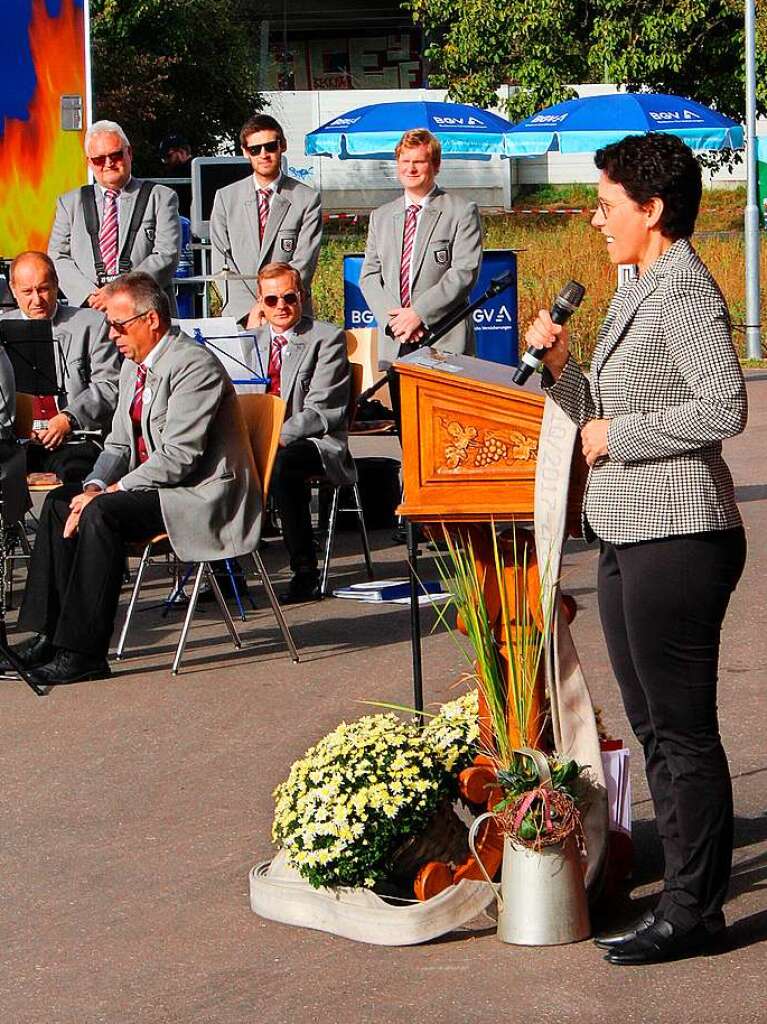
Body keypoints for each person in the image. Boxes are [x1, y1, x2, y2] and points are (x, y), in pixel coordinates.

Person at [525, 132, 748, 966]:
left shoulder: (683, 289)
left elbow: (723, 407)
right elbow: (594, 420)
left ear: (650, 211)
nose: (594, 217)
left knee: (683, 734)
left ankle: (695, 911)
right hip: (624, 529)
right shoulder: (633, 288)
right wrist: (559, 369)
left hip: (680, 533)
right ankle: (684, 897)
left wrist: (622, 432)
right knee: (653, 728)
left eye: (607, 204)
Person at [6, 272, 261, 687]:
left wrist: (109, 491)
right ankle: (50, 636)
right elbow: (119, 444)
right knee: (58, 503)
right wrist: (91, 486)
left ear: (152, 320)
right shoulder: (134, 366)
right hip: (155, 487)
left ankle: (85, 653)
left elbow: (180, 458)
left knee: (102, 514)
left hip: (197, 495)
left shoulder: (194, 367)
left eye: (119, 325)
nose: (112, 334)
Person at [240, 262, 353, 604]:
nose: (281, 307)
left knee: (282, 464)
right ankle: (223, 572)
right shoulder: (246, 342)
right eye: (271, 300)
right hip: (252, 438)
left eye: (289, 297)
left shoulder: (327, 339)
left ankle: (305, 569)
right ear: (260, 302)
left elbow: (321, 411)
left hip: (311, 440)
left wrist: (274, 436)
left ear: (303, 296)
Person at [359, 128, 483, 369]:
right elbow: (369, 277)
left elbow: (464, 273)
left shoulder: (462, 211)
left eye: (419, 161)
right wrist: (397, 322)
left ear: (435, 166)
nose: (411, 168)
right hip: (395, 339)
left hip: (443, 338)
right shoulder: (380, 217)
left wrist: (419, 314)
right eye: (405, 161)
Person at [2, 251, 120, 482]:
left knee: (74, 476)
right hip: (15, 442)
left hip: (75, 440)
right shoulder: (2, 327)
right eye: (27, 292)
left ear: (57, 285)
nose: (37, 300)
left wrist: (68, 418)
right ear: (13, 291)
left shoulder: (92, 324)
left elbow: (110, 385)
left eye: (43, 289)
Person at [48, 120, 181, 315]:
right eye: (99, 159)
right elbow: (57, 256)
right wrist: (89, 295)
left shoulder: (161, 197)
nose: (109, 163)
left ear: (130, 153)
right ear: (89, 163)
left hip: (144, 310)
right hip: (89, 311)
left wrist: (119, 291)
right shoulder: (69, 203)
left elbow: (167, 254)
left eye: (115, 155)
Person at [210, 114, 322, 324]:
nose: (264, 154)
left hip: (290, 313)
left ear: (283, 146)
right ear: (245, 152)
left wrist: (271, 305)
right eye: (255, 149)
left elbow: (304, 262)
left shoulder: (307, 199)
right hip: (242, 318)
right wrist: (248, 311)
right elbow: (221, 261)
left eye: (270, 146)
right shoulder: (225, 198)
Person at [158, 133, 193, 219]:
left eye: (168, 156)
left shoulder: (192, 170)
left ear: (181, 152)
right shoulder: (173, 171)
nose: (166, 161)